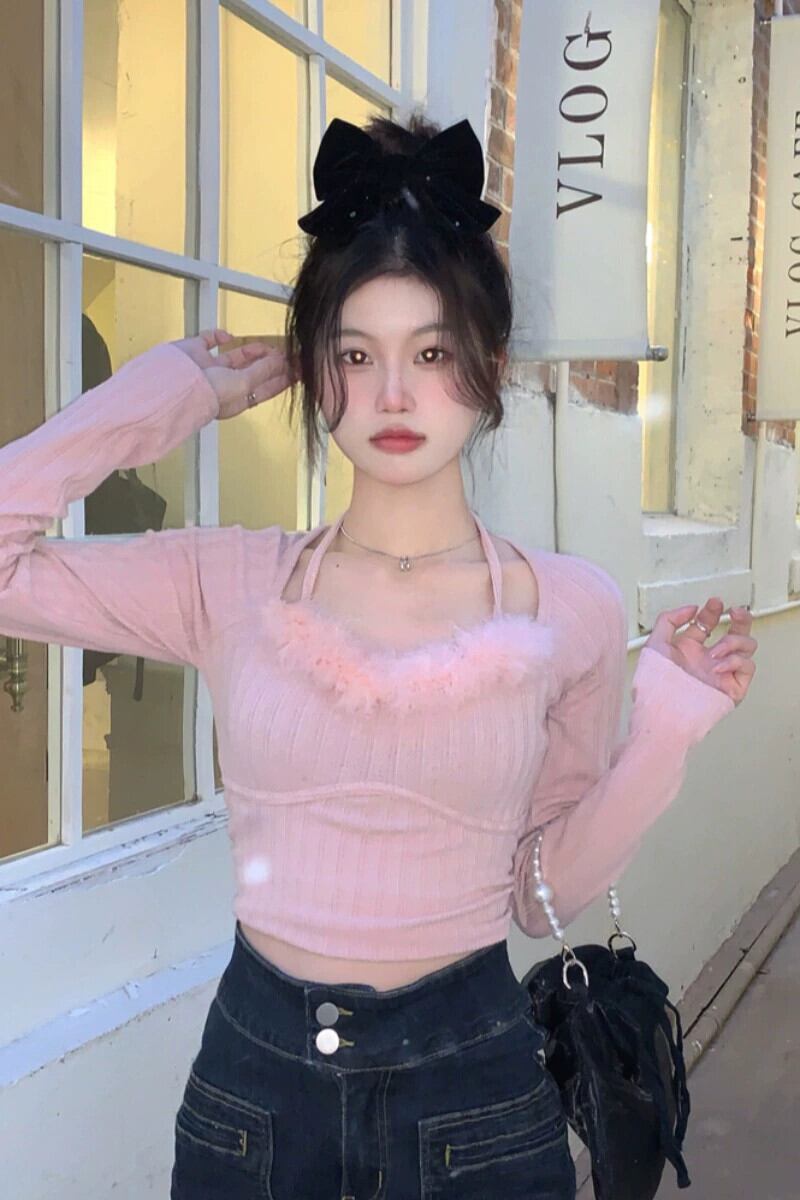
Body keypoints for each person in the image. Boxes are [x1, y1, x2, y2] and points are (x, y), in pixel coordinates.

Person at [0, 113, 756, 1199]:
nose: (393, 395)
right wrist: (171, 396)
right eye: (355, 355)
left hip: (477, 1099)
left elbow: (540, 900)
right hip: (254, 1099)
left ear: (489, 366)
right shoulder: (229, 581)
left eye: (432, 353)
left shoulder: (569, 607)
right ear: (315, 372)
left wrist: (667, 732)